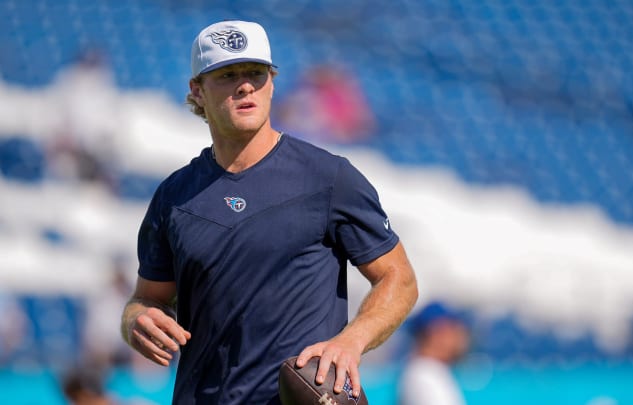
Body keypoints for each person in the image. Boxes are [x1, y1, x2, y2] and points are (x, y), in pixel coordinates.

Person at [120, 20, 418, 404]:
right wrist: (135, 320)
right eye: (227, 75)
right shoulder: (174, 196)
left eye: (256, 74)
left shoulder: (329, 178)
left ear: (272, 83)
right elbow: (147, 299)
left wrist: (351, 342)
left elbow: (399, 279)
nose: (245, 85)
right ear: (197, 91)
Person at [398, 301, 471, 405]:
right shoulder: (424, 377)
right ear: (438, 333)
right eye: (454, 329)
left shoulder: (427, 372)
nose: (461, 337)